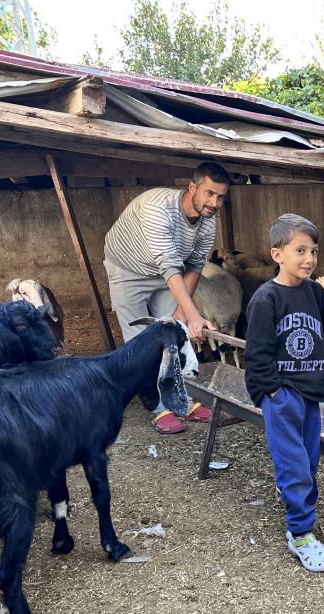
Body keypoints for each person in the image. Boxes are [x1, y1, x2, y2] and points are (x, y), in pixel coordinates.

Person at [245, 214, 324, 572]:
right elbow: (258, 354)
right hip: (281, 396)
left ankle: (294, 498)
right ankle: (301, 535)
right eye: (300, 250)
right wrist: (273, 392)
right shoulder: (266, 300)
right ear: (277, 254)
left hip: (311, 391)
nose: (309, 258)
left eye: (312, 250)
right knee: (295, 466)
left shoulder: (316, 294)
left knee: (308, 461)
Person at [104, 162, 228, 434]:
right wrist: (194, 315)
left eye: (220, 197)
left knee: (173, 335)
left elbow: (195, 265)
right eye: (209, 193)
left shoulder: (208, 220)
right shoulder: (158, 208)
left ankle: (182, 400)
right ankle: (159, 408)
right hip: (128, 268)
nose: (214, 202)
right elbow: (168, 265)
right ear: (192, 187)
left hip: (166, 272)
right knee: (141, 339)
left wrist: (184, 315)